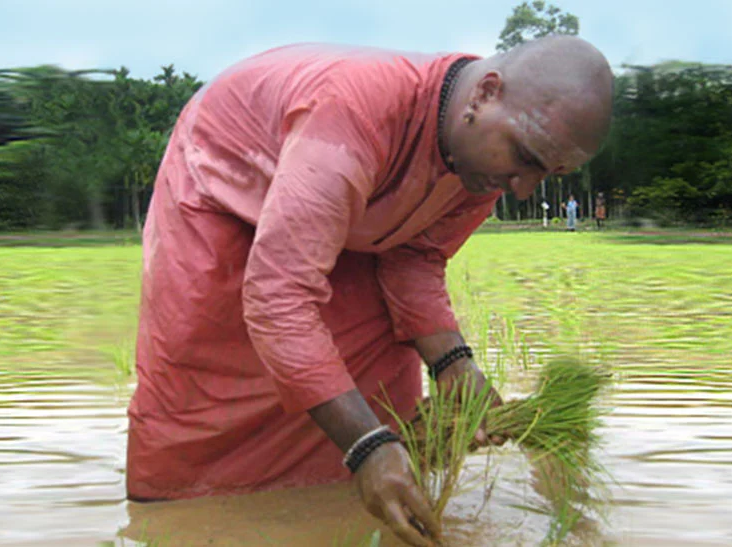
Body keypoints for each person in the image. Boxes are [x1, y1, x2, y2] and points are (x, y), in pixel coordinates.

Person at [126, 36, 613, 546]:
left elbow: (416, 257)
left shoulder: (484, 165)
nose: (522, 189)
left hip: (354, 223)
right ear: (484, 93)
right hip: (227, 194)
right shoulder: (355, 108)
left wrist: (455, 366)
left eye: (547, 173)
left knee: (379, 407)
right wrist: (364, 445)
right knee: (207, 393)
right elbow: (279, 295)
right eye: (525, 158)